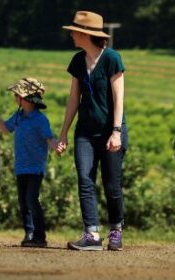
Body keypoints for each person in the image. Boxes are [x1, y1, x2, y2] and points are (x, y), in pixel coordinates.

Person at [57, 11, 128, 251]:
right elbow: (73, 98)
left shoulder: (112, 58)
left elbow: (119, 98)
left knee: (111, 184)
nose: (71, 34)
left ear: (85, 34)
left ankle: (116, 229)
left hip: (111, 131)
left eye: (74, 31)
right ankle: (91, 234)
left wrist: (116, 131)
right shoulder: (78, 60)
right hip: (85, 133)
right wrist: (64, 132)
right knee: (85, 179)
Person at [0, 77, 57, 248]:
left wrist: (57, 147)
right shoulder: (18, 116)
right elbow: (5, 128)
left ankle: (40, 236)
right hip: (21, 168)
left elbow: (50, 138)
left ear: (30, 99)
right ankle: (29, 233)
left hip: (35, 168)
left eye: (18, 95)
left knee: (32, 200)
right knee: (23, 202)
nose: (16, 98)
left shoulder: (40, 120)